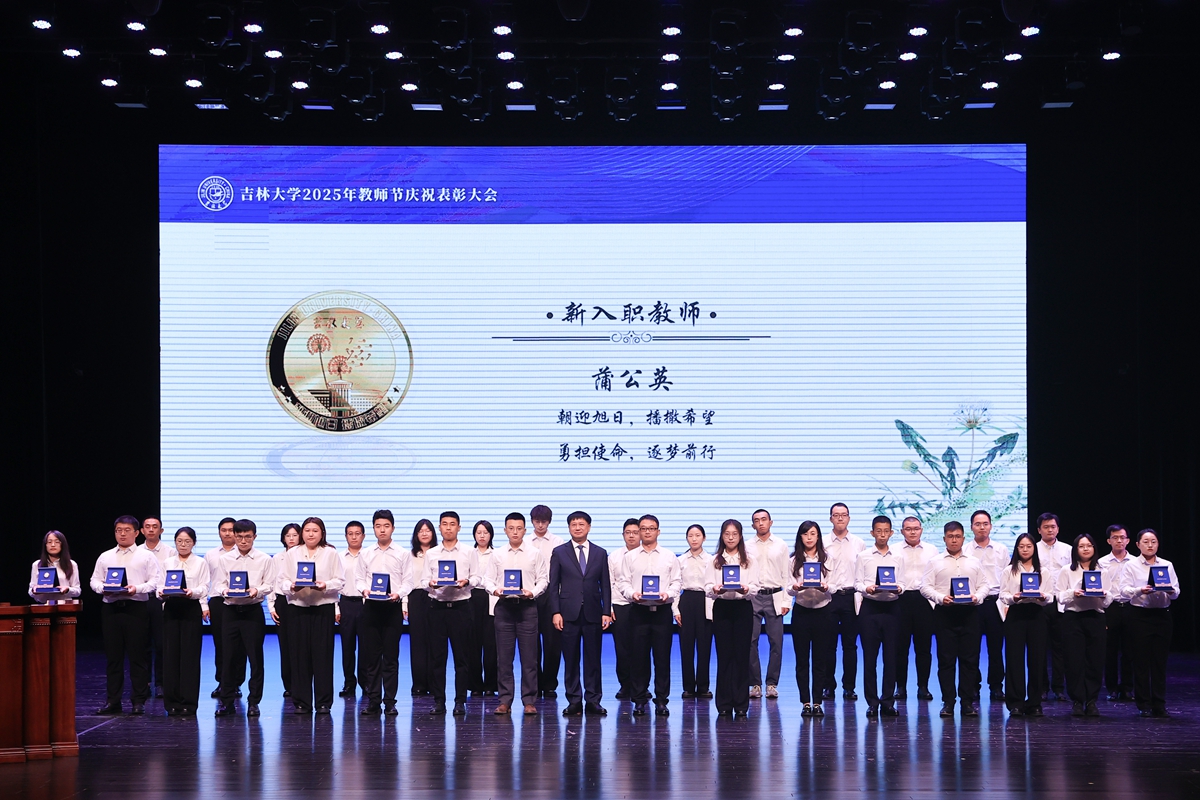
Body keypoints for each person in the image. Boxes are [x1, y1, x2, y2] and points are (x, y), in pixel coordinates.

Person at [89, 515, 161, 715]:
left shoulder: (146, 556)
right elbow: (94, 580)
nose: (122, 534)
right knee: (113, 658)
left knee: (138, 656)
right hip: (111, 609)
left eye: (127, 530)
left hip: (136, 609)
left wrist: (136, 588)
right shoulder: (105, 556)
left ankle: (138, 701)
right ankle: (113, 701)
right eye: (118, 530)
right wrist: (102, 588)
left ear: (137, 533)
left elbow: (155, 581)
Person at [921, 521, 988, 718]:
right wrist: (941, 598)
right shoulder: (935, 561)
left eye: (957, 536)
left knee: (970, 660)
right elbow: (925, 587)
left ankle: (967, 702)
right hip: (945, 614)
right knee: (946, 660)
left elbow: (984, 585)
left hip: (970, 614)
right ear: (944, 539)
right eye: (950, 536)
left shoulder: (974, 561)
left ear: (963, 538)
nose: (954, 540)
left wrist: (978, 597)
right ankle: (948, 702)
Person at [617, 514, 681, 716]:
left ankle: (661, 700)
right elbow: (623, 582)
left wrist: (668, 594)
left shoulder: (669, 556)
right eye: (643, 529)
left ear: (658, 532)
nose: (647, 532)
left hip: (662, 612)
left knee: (662, 658)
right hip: (638, 611)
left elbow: (677, 582)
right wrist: (632, 594)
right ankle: (639, 700)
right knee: (639, 658)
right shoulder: (630, 557)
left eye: (651, 528)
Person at [485, 512, 548, 716]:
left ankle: (529, 701)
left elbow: (543, 579)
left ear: (525, 530)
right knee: (504, 658)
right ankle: (505, 700)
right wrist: (495, 590)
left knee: (529, 658)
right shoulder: (497, 554)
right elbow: (487, 579)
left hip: (527, 608)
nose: (515, 532)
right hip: (504, 608)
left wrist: (533, 592)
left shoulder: (534, 553)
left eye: (519, 528)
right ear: (505, 530)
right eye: (511, 528)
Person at [550, 511, 612, 717]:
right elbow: (553, 585)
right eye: (574, 524)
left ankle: (593, 700)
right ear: (569, 527)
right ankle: (574, 700)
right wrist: (556, 611)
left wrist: (606, 611)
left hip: (593, 612)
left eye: (581, 524)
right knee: (570, 659)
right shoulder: (559, 552)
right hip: (568, 613)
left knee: (593, 659)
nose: (577, 527)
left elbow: (605, 585)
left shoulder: (600, 553)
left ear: (589, 527)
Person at [280, 517, 343, 714]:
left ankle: (323, 702)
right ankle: (301, 702)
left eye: (315, 530)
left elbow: (340, 581)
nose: (311, 534)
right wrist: (292, 586)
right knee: (299, 657)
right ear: (302, 533)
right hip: (297, 609)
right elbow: (282, 581)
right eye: (307, 530)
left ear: (322, 533)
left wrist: (326, 585)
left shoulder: (330, 553)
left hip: (322, 609)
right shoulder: (292, 553)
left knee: (323, 656)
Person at [212, 519, 275, 718]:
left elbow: (270, 584)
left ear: (254, 537)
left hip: (252, 611)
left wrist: (257, 590)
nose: (243, 540)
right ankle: (227, 702)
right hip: (230, 611)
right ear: (234, 536)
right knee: (228, 657)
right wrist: (225, 591)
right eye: (239, 536)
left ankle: (254, 702)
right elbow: (218, 584)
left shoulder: (264, 559)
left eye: (247, 536)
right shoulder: (225, 559)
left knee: (255, 658)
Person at [1116, 528, 1180, 717]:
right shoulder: (1131, 565)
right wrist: (1139, 590)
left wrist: (1170, 590)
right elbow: (1123, 590)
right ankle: (1143, 703)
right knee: (1141, 662)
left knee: (1159, 662)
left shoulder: (1167, 565)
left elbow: (1176, 592)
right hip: (1140, 616)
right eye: (1145, 542)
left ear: (1158, 544)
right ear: (1137, 545)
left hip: (1162, 616)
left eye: (1153, 541)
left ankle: (1159, 703)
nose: (1150, 545)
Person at [421, 511, 478, 715]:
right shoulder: (432, 553)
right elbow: (423, 580)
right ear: (439, 527)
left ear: (459, 527)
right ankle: (439, 701)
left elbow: (477, 577)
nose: (448, 527)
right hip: (437, 609)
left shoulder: (469, 552)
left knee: (462, 658)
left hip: (461, 608)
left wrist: (466, 582)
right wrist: (431, 584)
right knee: (437, 658)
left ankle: (460, 701)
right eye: (444, 524)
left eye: (452, 524)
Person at [356, 510, 412, 716]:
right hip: (371, 608)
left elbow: (408, 581)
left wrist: (399, 593)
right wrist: (364, 590)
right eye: (378, 526)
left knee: (390, 657)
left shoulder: (402, 553)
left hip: (392, 608)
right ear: (373, 529)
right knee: (371, 658)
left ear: (393, 528)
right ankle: (373, 701)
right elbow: (359, 579)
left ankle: (389, 702)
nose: (382, 530)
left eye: (386, 526)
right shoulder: (366, 553)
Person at [706, 519, 758, 718]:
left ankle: (741, 704)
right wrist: (715, 589)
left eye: (734, 534)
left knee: (742, 655)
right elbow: (707, 587)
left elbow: (755, 587)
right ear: (722, 536)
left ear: (740, 536)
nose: (730, 538)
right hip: (722, 608)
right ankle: (724, 703)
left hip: (742, 608)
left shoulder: (749, 560)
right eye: (727, 534)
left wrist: (746, 589)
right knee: (724, 655)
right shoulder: (714, 560)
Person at [1056, 533, 1110, 717]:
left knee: (1095, 661)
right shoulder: (1067, 570)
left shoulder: (1102, 571)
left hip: (1095, 617)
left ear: (1094, 548)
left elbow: (1108, 600)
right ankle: (1077, 701)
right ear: (1075, 549)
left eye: (1089, 545)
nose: (1086, 549)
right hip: (1073, 618)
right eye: (1081, 546)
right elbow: (1059, 596)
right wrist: (1074, 593)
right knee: (1074, 661)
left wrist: (1103, 594)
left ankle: (1092, 701)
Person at [998, 532, 1052, 716]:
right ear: (1016, 548)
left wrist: (1043, 597)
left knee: (1037, 659)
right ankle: (1016, 703)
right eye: (1021, 546)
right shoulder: (1009, 570)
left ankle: (1035, 703)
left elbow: (1050, 595)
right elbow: (1003, 594)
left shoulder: (1043, 571)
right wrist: (1013, 597)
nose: (1025, 549)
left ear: (1034, 548)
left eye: (1029, 546)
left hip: (1037, 614)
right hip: (1016, 614)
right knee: (1014, 659)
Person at [158, 527, 210, 716]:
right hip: (171, 608)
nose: (183, 545)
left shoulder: (200, 562)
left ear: (194, 543)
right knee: (171, 656)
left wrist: (192, 592)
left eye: (187, 541)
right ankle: (171, 702)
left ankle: (189, 702)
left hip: (190, 608)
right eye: (179, 541)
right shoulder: (167, 562)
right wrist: (162, 592)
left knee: (190, 656)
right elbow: (159, 586)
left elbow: (204, 587)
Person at [854, 515, 902, 718]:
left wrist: (899, 588)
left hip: (892, 609)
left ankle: (888, 702)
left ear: (891, 533)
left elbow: (903, 582)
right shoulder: (863, 556)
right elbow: (856, 583)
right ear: (872, 532)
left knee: (891, 658)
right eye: (879, 531)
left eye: (886, 531)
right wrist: (867, 588)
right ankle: (872, 702)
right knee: (870, 658)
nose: (882, 535)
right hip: (870, 609)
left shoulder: (898, 556)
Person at [788, 521, 833, 717]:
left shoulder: (828, 559)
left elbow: (835, 586)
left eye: (813, 534)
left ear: (818, 536)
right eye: (805, 534)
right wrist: (795, 587)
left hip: (823, 612)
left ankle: (818, 702)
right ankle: (806, 702)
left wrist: (826, 587)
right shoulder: (793, 560)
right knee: (802, 660)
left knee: (820, 660)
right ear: (800, 537)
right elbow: (788, 587)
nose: (809, 537)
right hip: (802, 612)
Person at [746, 509, 790, 700]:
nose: (761, 523)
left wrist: (787, 600)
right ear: (753, 525)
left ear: (771, 522)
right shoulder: (747, 546)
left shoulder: (781, 545)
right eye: (757, 520)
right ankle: (755, 684)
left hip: (775, 595)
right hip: (754, 596)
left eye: (764, 519)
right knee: (751, 641)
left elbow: (786, 574)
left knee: (776, 642)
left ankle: (772, 684)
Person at [823, 503, 864, 700]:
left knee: (850, 646)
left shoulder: (859, 543)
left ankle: (849, 687)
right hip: (829, 597)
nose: (840, 518)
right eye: (836, 515)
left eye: (844, 515)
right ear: (830, 518)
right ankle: (828, 686)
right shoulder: (822, 542)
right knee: (828, 645)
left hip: (850, 597)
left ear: (849, 518)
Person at [964, 510, 1007, 702]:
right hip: (972, 603)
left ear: (991, 525)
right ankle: (973, 685)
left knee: (995, 648)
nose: (982, 527)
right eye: (977, 524)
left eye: (985, 523)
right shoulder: (965, 550)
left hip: (995, 602)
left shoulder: (1001, 549)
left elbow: (1008, 576)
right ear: (971, 527)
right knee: (971, 648)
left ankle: (996, 686)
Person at [894, 517, 937, 701]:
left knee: (924, 647)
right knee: (900, 647)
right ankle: (900, 687)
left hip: (923, 600)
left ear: (921, 530)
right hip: (901, 599)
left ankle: (923, 687)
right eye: (908, 529)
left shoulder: (931, 550)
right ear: (902, 531)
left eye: (916, 528)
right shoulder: (894, 549)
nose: (912, 532)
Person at [528, 504, 564, 698]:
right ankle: (534, 684)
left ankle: (549, 684)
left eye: (544, 521)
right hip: (530, 594)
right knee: (531, 643)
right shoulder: (525, 541)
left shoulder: (558, 542)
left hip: (551, 594)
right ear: (532, 521)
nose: (540, 525)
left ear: (549, 522)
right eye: (537, 521)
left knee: (552, 642)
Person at [1034, 512, 1072, 700]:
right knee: (1039, 646)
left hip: (1061, 602)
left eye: (1053, 526)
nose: (1050, 530)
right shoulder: (1032, 548)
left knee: (1060, 647)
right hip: (1040, 602)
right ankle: (1042, 687)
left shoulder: (1068, 549)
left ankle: (1059, 687)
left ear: (1058, 528)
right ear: (1039, 530)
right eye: (1046, 527)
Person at [675, 524, 713, 700]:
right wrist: (675, 609)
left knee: (705, 646)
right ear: (687, 539)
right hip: (687, 600)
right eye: (691, 535)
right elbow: (676, 586)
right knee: (686, 646)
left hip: (705, 600)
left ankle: (703, 686)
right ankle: (688, 687)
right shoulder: (680, 560)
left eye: (698, 535)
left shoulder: (712, 560)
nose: (694, 539)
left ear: (704, 538)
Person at [1098, 524, 1135, 702]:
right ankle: (1112, 688)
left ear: (1128, 540)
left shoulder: (1135, 562)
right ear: (1108, 541)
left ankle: (1127, 688)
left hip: (1130, 607)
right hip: (1110, 607)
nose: (1119, 541)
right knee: (1109, 651)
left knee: (1130, 650)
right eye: (1115, 537)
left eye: (1122, 537)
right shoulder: (1101, 562)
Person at [139, 516, 173, 700]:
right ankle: (144, 683)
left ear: (161, 530)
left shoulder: (170, 552)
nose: (151, 530)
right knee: (142, 644)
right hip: (141, 600)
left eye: (155, 527)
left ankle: (161, 683)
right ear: (142, 531)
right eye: (147, 527)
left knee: (161, 644)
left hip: (162, 601)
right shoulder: (136, 551)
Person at [204, 517, 238, 698]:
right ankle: (222, 682)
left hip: (238, 601)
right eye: (224, 530)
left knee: (237, 645)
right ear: (219, 532)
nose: (227, 533)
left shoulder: (243, 552)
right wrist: (204, 604)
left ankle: (236, 683)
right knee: (220, 644)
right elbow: (205, 581)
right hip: (217, 601)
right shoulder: (211, 555)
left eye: (231, 530)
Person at [609, 519, 642, 700]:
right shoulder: (614, 556)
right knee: (622, 649)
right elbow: (608, 583)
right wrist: (608, 607)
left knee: (641, 648)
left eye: (635, 532)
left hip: (641, 606)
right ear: (623, 535)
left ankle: (641, 686)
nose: (631, 536)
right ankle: (625, 685)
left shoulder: (646, 555)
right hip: (620, 606)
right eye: (628, 532)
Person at [406, 518, 437, 697]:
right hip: (416, 597)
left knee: (435, 641)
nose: (424, 533)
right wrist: (404, 604)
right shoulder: (409, 556)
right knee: (417, 642)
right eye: (421, 531)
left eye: (428, 530)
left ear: (433, 533)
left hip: (435, 596)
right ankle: (418, 683)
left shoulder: (439, 553)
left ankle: (434, 683)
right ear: (416, 535)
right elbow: (405, 580)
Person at [270, 523, 302, 698]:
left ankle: (300, 683)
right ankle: (288, 684)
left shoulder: (304, 555)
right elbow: (272, 582)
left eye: (294, 535)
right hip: (282, 601)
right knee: (285, 645)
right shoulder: (277, 558)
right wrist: (271, 606)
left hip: (299, 600)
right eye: (288, 535)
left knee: (300, 645)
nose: (291, 538)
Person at [468, 520, 499, 697]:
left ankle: (490, 684)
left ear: (491, 535)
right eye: (479, 532)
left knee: (491, 644)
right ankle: (475, 685)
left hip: (490, 598)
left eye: (485, 532)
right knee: (472, 643)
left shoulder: (496, 554)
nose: (482, 536)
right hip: (471, 597)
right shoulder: (468, 553)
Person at [337, 520, 367, 698]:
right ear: (346, 536)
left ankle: (366, 683)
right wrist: (336, 608)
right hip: (346, 603)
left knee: (366, 647)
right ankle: (349, 683)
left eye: (357, 533)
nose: (354, 537)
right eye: (350, 534)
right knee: (347, 647)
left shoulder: (369, 555)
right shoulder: (339, 557)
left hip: (365, 604)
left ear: (363, 536)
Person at [29, 530, 81, 604]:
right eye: (49, 542)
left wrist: (67, 589)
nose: (53, 545)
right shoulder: (36, 564)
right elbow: (30, 591)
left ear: (62, 544)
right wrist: (34, 590)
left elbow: (77, 591)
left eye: (57, 542)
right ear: (45, 545)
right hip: (43, 606)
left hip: (64, 606)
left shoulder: (71, 564)